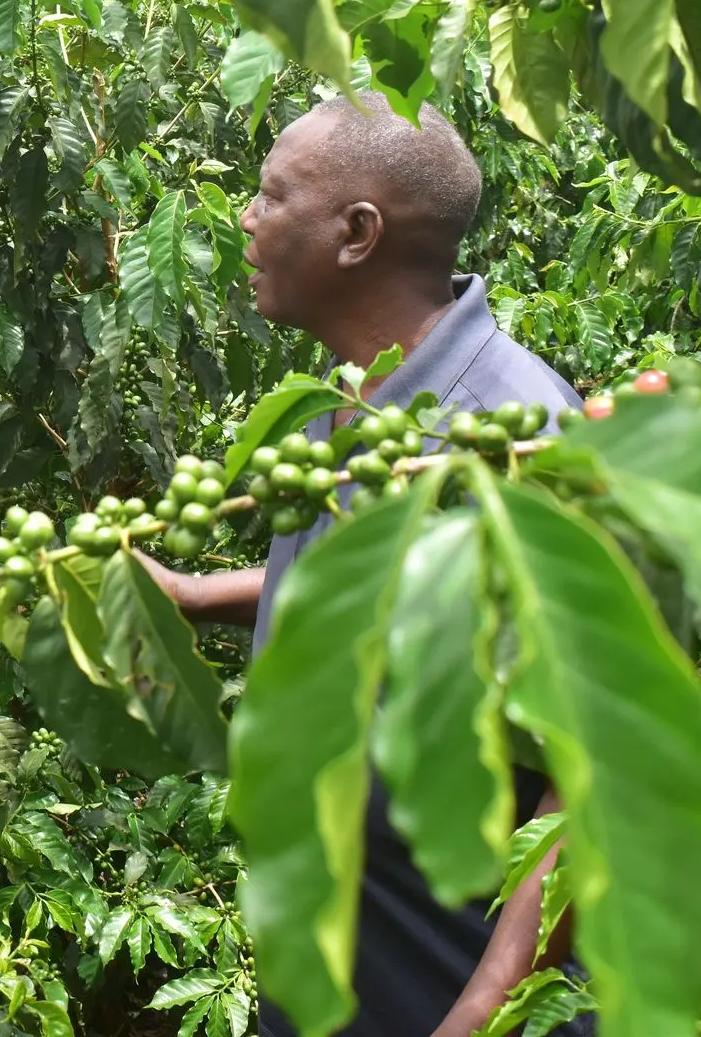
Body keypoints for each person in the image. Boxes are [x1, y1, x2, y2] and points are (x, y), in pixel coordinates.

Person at [136, 93, 585, 1037]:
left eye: (271, 195)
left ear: (356, 233)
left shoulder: (510, 439)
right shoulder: (351, 401)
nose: (248, 219)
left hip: (442, 978)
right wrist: (192, 596)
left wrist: (481, 1016)